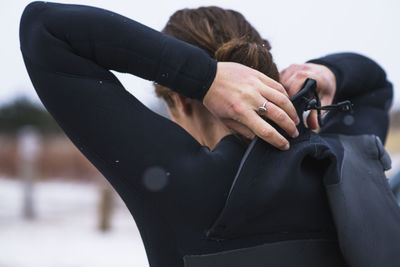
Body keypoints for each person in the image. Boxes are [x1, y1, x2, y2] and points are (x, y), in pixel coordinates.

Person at [19, 1, 393, 267]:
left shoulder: (180, 184)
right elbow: (375, 86)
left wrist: (205, 78)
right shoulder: (343, 156)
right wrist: (327, 74)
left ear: (179, 101)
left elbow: (44, 28)